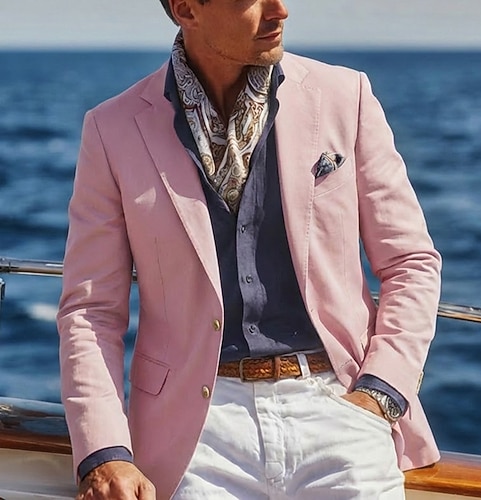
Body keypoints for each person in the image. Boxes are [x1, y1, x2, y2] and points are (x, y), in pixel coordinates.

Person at [57, 0, 442, 498]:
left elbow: (411, 262)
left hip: (340, 403)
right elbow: (91, 310)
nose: (279, 10)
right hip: (195, 430)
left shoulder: (346, 97)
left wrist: (381, 391)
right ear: (187, 9)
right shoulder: (113, 129)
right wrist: (105, 451)